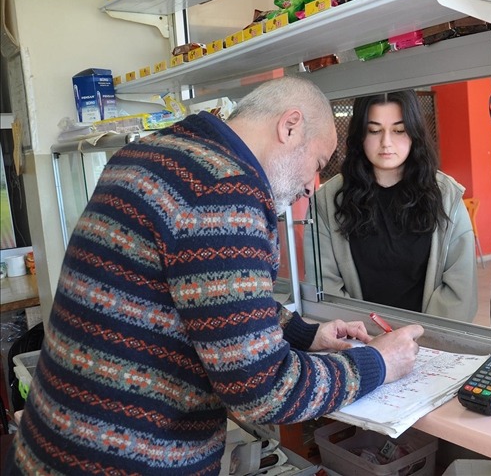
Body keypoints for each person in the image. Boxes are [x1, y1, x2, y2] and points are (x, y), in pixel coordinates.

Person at [8, 76, 424, 474]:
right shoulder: (225, 195)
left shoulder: (155, 151)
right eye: (316, 162)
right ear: (290, 126)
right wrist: (378, 363)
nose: (309, 186)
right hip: (124, 458)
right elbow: (265, 391)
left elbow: (200, 297)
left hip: (54, 440)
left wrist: (306, 335)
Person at [306, 90, 477, 322]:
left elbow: (460, 290)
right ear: (360, 135)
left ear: (414, 133)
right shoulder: (327, 201)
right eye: (374, 131)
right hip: (360, 342)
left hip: (430, 345)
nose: (386, 143)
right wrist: (373, 343)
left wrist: (418, 341)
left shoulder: (446, 196)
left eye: (399, 130)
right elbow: (325, 287)